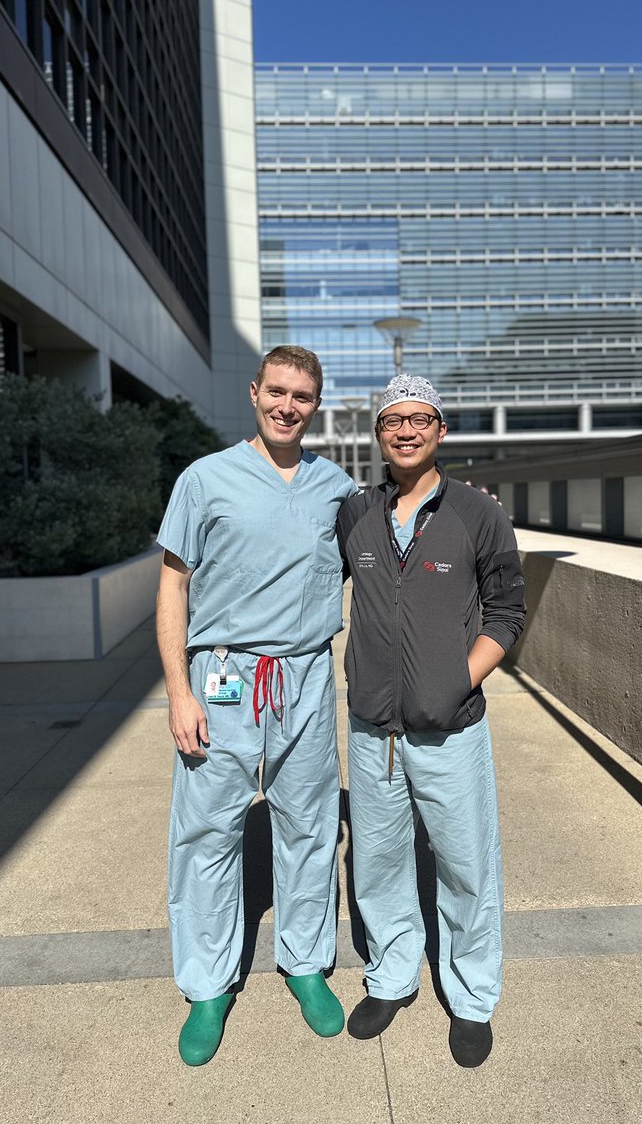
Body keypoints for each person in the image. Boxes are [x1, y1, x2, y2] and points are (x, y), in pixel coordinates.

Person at [155, 346, 356, 1066]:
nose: (287, 405)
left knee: (308, 827)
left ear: (316, 405)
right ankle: (209, 983)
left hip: (304, 675)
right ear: (254, 392)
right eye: (277, 391)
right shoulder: (205, 480)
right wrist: (179, 692)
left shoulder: (336, 487)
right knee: (208, 832)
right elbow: (173, 586)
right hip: (223, 676)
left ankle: (304, 962)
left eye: (302, 396)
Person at [336, 375, 526, 1068]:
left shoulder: (479, 513)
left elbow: (508, 613)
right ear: (379, 434)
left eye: (421, 420)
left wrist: (456, 680)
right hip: (371, 730)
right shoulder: (355, 513)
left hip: (451, 728)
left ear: (441, 431)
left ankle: (472, 996)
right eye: (394, 421)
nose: (407, 431)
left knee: (466, 865)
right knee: (380, 864)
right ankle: (391, 977)